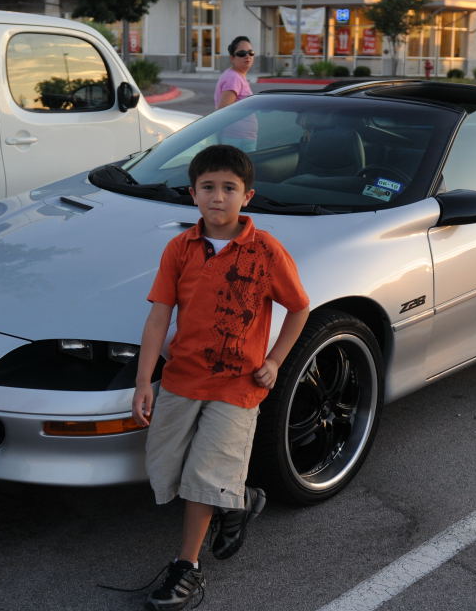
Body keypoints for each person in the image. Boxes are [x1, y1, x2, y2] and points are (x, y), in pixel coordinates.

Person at [132, 144, 310, 611]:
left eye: (229, 188)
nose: (217, 196)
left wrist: (275, 360)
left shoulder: (265, 250)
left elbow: (299, 307)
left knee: (203, 476)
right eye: (208, 187)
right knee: (166, 469)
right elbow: (158, 317)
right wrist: (144, 381)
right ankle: (238, 499)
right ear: (193, 193)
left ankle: (186, 566)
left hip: (238, 386)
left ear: (247, 196)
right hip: (182, 379)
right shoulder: (180, 249)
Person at [214, 36, 258, 152]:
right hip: (236, 140)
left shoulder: (238, 76)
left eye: (251, 52)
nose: (247, 56)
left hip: (241, 139)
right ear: (232, 58)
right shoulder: (233, 78)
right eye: (241, 53)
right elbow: (223, 111)